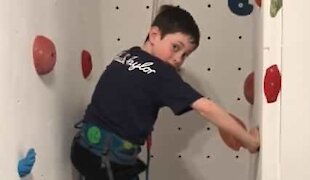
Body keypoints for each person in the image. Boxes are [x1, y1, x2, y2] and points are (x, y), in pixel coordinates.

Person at [70, 5, 260, 180]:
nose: (178, 59)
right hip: (108, 162)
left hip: (83, 149)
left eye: (185, 55)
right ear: (154, 35)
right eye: (175, 47)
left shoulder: (126, 55)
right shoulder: (162, 74)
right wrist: (249, 141)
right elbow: (206, 108)